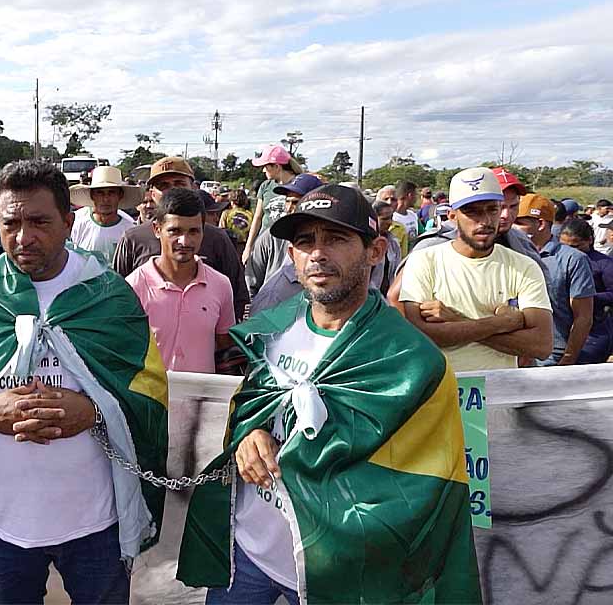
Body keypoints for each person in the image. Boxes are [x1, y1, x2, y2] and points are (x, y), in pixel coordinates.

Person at [178, 183, 481, 605]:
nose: (318, 253)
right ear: (291, 257)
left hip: (342, 571)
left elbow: (421, 490)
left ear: (375, 251)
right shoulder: (274, 329)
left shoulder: (412, 362)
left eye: (336, 239)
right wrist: (248, 436)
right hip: (248, 554)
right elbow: (252, 407)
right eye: (305, 241)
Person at [0, 159, 168, 605]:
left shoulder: (108, 294)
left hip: (96, 522)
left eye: (39, 222)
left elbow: (150, 391)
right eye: (10, 222)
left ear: (68, 222)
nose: (23, 237)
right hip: (4, 524)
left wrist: (93, 412)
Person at [399, 168, 553, 372]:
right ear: (453, 216)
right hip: (440, 395)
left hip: (501, 396)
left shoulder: (523, 266)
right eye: (472, 211)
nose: (485, 221)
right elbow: (419, 336)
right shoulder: (424, 260)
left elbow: (541, 345)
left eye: (492, 209)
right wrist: (505, 322)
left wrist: (456, 321)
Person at [113, 156, 249, 321]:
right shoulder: (133, 238)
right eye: (163, 185)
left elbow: (238, 297)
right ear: (152, 192)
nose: (172, 190)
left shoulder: (217, 238)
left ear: (193, 187)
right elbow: (117, 298)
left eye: (179, 183)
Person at [126, 188, 235, 372]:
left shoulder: (221, 285)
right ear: (157, 229)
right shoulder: (134, 287)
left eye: (193, 232)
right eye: (175, 231)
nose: (184, 241)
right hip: (149, 399)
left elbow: (225, 345)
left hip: (202, 399)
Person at [513, 194, 595, 365]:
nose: (512, 226)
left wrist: (567, 359)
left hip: (550, 359)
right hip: (510, 355)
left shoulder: (573, 260)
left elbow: (583, 317)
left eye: (519, 222)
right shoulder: (508, 255)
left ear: (541, 224)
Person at [246, 173, 322, 300]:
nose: (289, 208)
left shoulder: (329, 246)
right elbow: (249, 284)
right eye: (287, 201)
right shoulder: (270, 237)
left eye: (296, 202)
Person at [560, 218, 613, 363]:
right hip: (563, 328)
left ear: (589, 240)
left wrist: (587, 298)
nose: (569, 251)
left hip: (593, 332)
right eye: (564, 246)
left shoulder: (604, 264)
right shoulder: (557, 259)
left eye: (575, 246)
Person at [68, 165, 140, 264]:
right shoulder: (78, 226)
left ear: (120, 195)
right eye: (100, 193)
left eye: (111, 192)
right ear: (92, 196)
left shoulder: (130, 230)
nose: (106, 199)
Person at [245, 145, 302, 243]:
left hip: (289, 242)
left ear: (277, 166)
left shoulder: (301, 184)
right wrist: (249, 246)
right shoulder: (265, 186)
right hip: (265, 243)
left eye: (265, 166)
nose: (263, 170)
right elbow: (257, 218)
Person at [370, 200, 403, 296]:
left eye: (391, 218)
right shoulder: (366, 244)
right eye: (385, 219)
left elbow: (396, 273)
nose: (390, 222)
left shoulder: (393, 243)